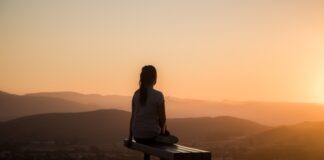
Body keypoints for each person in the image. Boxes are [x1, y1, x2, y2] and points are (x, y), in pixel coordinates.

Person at [127, 65, 178, 148]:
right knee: (165, 142)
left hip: (137, 136)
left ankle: (162, 136)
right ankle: (163, 137)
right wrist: (163, 131)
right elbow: (163, 119)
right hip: (152, 135)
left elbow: (133, 118)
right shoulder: (158, 95)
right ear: (154, 78)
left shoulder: (136, 94)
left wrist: (130, 138)